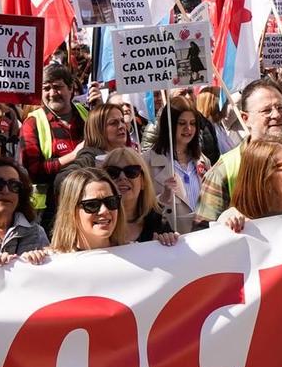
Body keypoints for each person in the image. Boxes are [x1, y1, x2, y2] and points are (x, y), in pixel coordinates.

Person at [196, 80, 282, 224]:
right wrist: (227, 223)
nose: (276, 115)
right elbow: (203, 233)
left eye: (281, 108)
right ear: (245, 118)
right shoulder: (225, 170)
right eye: (266, 110)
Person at [34, 166, 178, 257]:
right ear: (70, 211)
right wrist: (19, 263)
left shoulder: (137, 254)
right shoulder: (50, 261)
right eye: (92, 204)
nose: (104, 211)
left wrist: (166, 248)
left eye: (111, 202)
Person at [20, 65, 87, 189]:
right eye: (46, 88)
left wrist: (101, 111)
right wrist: (74, 155)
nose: (52, 93)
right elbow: (33, 170)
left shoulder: (87, 115)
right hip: (52, 204)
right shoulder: (32, 123)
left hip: (88, 197)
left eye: (57, 87)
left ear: (71, 88)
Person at [142, 100, 207, 228]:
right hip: (171, 241)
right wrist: (163, 198)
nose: (188, 129)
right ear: (168, 126)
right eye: (182, 123)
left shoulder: (203, 160)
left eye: (193, 123)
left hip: (204, 236)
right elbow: (141, 209)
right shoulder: (146, 162)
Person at [100, 148, 173, 244]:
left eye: (131, 171)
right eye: (113, 172)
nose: (122, 177)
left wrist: (167, 242)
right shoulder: (99, 222)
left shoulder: (158, 222)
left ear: (143, 181)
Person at [71, 100, 133, 170]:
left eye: (122, 121)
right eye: (113, 123)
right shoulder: (90, 157)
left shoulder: (128, 152)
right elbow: (63, 177)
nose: (121, 126)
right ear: (98, 129)